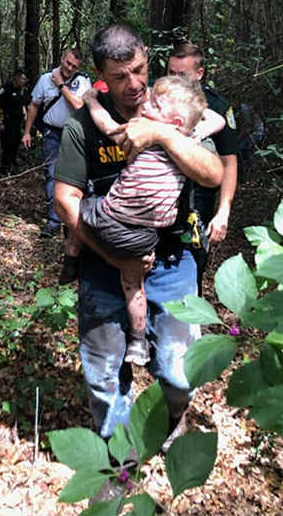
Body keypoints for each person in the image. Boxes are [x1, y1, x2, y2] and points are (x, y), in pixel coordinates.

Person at [52, 23, 223, 500]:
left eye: (140, 69)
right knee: (106, 374)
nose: (134, 84)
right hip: (106, 263)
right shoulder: (84, 127)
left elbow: (212, 174)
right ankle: (118, 468)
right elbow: (67, 202)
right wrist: (114, 256)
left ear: (148, 58)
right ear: (101, 76)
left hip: (173, 260)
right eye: (120, 75)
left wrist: (162, 137)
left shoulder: (174, 112)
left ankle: (172, 421)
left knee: (177, 369)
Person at [63, 76, 222, 365]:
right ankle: (137, 342)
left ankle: (72, 255)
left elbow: (106, 126)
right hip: (149, 234)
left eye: (155, 105)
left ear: (173, 122)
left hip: (113, 221)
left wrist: (90, 100)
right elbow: (217, 119)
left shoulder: (143, 134)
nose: (145, 104)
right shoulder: (189, 139)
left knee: (83, 207)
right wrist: (189, 120)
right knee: (134, 285)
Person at [165, 42, 239, 291]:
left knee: (194, 263)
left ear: (200, 73)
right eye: (171, 73)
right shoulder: (158, 97)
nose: (176, 81)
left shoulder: (218, 107)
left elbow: (229, 162)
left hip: (200, 198)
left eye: (182, 75)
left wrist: (223, 212)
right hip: (162, 192)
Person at [21, 48, 91, 237]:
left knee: (74, 178)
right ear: (62, 59)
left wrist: (61, 86)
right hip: (51, 134)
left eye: (74, 66)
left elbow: (79, 105)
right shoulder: (45, 79)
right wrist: (27, 132)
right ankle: (53, 223)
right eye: (67, 63)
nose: (69, 68)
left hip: (75, 134)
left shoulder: (82, 81)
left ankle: (72, 223)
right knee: (52, 175)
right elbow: (34, 105)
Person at [0, 68, 29, 175]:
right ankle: (6, 169)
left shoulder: (21, 91)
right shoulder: (4, 89)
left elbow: (22, 105)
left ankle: (12, 167)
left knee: (15, 144)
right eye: (22, 78)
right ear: (16, 78)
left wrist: (26, 118)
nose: (24, 81)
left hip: (18, 121)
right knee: (7, 145)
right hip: (8, 121)